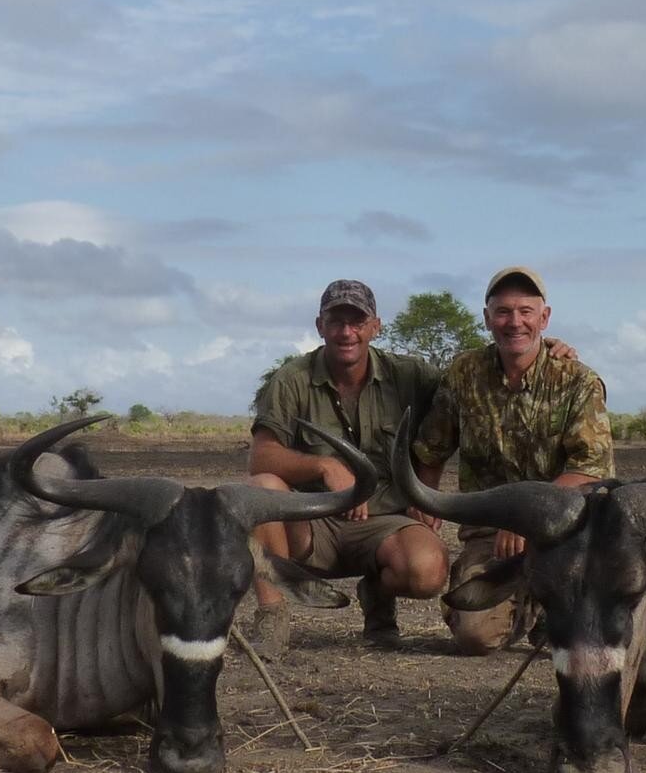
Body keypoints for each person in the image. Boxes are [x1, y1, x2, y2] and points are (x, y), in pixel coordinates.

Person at [411, 266, 614, 655]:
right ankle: (525, 607)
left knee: (588, 637)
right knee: (474, 636)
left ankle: (547, 607)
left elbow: (590, 469)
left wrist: (527, 516)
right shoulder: (464, 373)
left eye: (525, 311)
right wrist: (424, 507)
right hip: (491, 536)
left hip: (565, 533)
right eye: (503, 312)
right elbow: (430, 449)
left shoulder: (578, 381)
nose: (514, 322)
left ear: (544, 317)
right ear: (487, 318)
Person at [247, 279, 449, 653]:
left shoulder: (410, 375)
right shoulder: (292, 379)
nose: (346, 332)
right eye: (336, 321)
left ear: (375, 326)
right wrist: (324, 466)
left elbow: (472, 385)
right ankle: (272, 615)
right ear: (319, 326)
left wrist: (545, 351)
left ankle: (377, 589)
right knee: (262, 488)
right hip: (313, 522)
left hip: (386, 521)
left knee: (427, 571)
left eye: (357, 322)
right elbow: (261, 457)